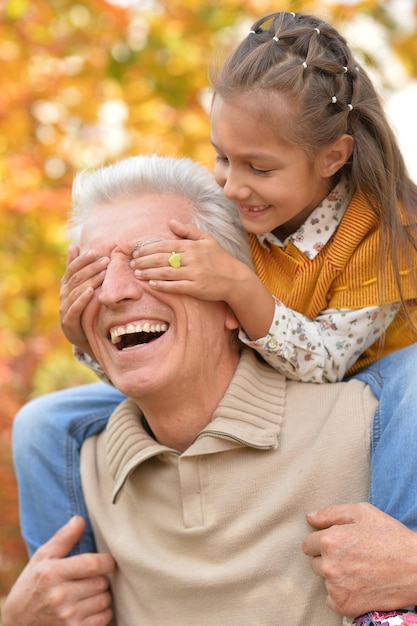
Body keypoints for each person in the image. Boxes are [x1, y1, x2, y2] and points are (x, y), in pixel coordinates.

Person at [11, 9, 417, 622]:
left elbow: (326, 364)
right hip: (267, 367)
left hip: (361, 375)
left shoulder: (379, 235)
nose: (232, 184)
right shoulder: (244, 213)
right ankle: (67, 584)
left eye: (258, 167)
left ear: (333, 157)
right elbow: (168, 342)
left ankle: (394, 569)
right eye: (222, 158)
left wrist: (237, 287)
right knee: (43, 421)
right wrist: (90, 337)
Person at [3, 153, 383, 625]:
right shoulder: (72, 471)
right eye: (94, 272)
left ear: (232, 301)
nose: (113, 292)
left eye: (154, 260)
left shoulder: (371, 428)